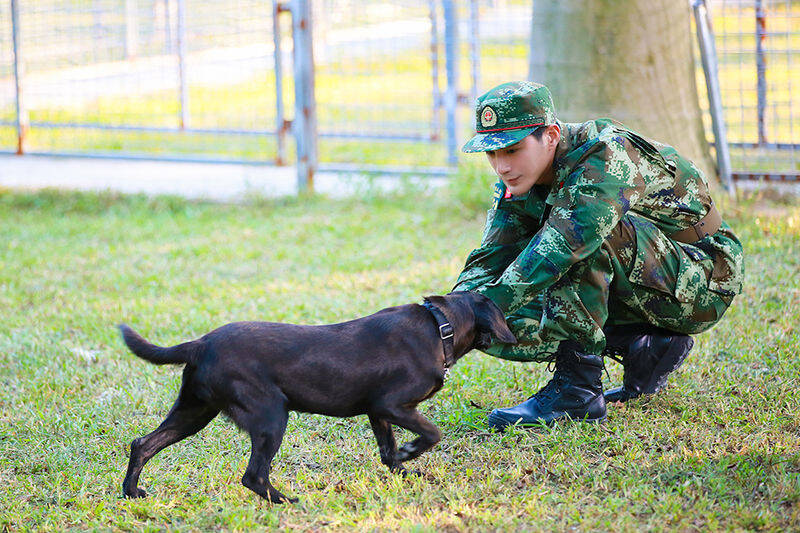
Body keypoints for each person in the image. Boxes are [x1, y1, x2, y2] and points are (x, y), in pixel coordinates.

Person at [453, 81, 744, 430]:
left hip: (704, 277)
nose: (501, 166)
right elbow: (489, 260)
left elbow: (564, 245)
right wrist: (444, 321)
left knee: (574, 239)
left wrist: (476, 311)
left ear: (550, 135)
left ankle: (578, 392)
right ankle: (644, 346)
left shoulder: (606, 155)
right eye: (492, 154)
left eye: (512, 150)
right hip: (649, 280)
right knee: (487, 319)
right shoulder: (519, 183)